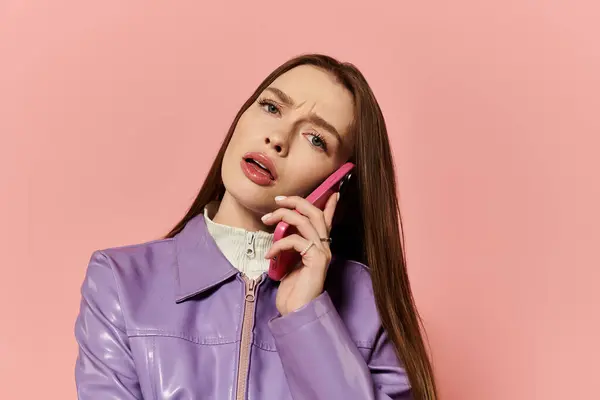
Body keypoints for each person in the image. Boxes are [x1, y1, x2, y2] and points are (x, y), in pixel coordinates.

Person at [74, 53, 438, 399]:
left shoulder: (366, 302)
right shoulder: (121, 281)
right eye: (271, 107)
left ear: (338, 181)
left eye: (316, 139)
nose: (277, 139)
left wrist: (307, 317)